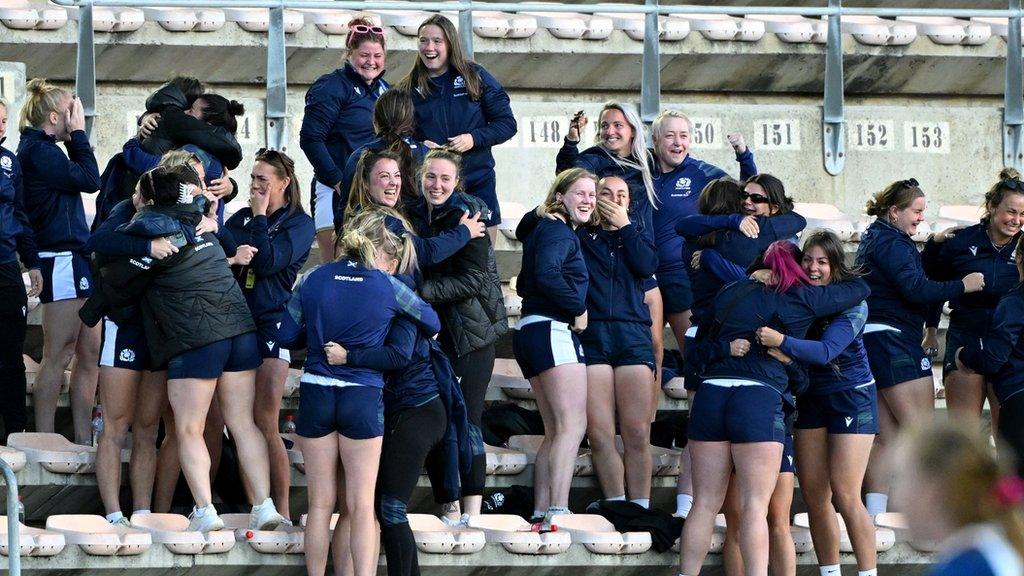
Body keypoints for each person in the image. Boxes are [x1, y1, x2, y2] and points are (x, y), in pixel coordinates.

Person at [90, 164, 284, 532]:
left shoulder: (150, 223)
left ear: (148, 199)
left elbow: (97, 241)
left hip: (196, 335)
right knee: (242, 423)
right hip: (239, 329)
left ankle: (206, 510)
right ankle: (264, 504)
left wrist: (145, 241)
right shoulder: (200, 221)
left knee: (189, 429)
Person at [678, 241, 870, 576]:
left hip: (711, 395)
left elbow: (695, 349)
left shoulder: (729, 291)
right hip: (758, 398)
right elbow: (861, 287)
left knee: (704, 504)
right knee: (756, 508)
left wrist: (726, 345)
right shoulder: (800, 297)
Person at [277, 209, 441, 576]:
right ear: (381, 251)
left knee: (320, 505)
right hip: (362, 397)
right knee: (362, 505)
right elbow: (431, 320)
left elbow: (285, 335)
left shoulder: (313, 277)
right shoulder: (386, 284)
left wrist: (318, 336)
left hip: (317, 392)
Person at [83, 150, 217, 527]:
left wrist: (214, 222)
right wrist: (147, 247)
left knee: (147, 428)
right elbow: (99, 241)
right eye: (189, 180)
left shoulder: (188, 214)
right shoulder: (132, 205)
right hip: (124, 327)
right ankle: (113, 514)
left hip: (159, 330)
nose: (196, 187)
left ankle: (142, 513)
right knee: (115, 426)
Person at [856, 178, 985, 518]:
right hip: (893, 339)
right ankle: (936, 513)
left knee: (886, 438)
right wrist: (963, 285)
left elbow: (904, 272)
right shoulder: (893, 244)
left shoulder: (878, 235)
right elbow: (915, 288)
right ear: (894, 211)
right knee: (924, 436)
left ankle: (875, 516)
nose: (920, 218)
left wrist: (932, 243)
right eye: (916, 211)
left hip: (873, 339)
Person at [753, 230, 879, 576]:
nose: (813, 268)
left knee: (846, 493)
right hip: (810, 396)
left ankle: (868, 573)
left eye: (822, 262)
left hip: (850, 396)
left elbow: (825, 352)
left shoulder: (853, 301)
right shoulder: (799, 295)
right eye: (807, 260)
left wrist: (782, 341)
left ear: (835, 265)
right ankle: (830, 571)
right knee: (814, 495)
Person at [407, 148, 507, 524]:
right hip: (434, 336)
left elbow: (474, 279)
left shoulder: (469, 214)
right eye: (431, 177)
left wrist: (420, 293)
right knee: (438, 419)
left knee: (467, 421)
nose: (437, 185)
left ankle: (472, 510)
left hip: (471, 336)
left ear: (456, 181)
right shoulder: (415, 215)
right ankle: (447, 505)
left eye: (445, 178)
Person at [555, 103, 666, 413]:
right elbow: (567, 174)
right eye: (604, 125)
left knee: (655, 345)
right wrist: (571, 141)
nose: (609, 131)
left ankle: (649, 418)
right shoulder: (595, 158)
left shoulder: (648, 162)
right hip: (605, 258)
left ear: (632, 129)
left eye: (617, 125)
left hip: (640, 259)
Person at [223, 149, 314, 522]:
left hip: (273, 322)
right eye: (253, 178)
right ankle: (254, 505)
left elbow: (267, 261)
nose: (255, 185)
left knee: (265, 419)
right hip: (236, 323)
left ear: (283, 183)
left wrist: (260, 219)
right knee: (235, 421)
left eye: (263, 179)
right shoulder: (241, 216)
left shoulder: (299, 223)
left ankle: (284, 509)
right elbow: (225, 249)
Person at [17, 78, 101, 444]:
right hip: (58, 257)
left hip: (77, 258)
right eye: (71, 111)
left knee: (89, 351)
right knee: (60, 350)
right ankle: (46, 436)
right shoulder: (39, 151)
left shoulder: (48, 149)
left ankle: (83, 437)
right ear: (55, 117)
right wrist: (80, 136)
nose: (76, 117)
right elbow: (89, 178)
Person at [513, 168, 594, 531]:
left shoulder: (544, 227)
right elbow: (547, 274)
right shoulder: (558, 231)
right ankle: (558, 510)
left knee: (555, 429)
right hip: (551, 330)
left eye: (593, 195)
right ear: (560, 196)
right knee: (571, 426)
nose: (589, 201)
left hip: (532, 330)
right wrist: (577, 307)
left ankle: (541, 512)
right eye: (580, 193)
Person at [649, 109, 757, 363]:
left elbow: (747, 190)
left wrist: (744, 155)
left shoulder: (701, 172)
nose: (678, 143)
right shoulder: (642, 171)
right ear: (655, 139)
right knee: (648, 353)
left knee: (695, 354)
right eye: (670, 136)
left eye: (683, 136)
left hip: (680, 276)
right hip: (645, 276)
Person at [397, 14, 517, 241]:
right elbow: (396, 134)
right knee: (436, 257)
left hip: (478, 181)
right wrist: (420, 147)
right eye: (423, 40)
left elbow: (507, 124)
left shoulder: (475, 76)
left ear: (450, 44)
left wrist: (473, 138)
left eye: (437, 41)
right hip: (434, 188)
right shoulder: (407, 87)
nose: (429, 47)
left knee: (482, 260)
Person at [577, 176, 658, 508]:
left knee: (637, 433)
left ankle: (640, 508)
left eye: (620, 194)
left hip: (632, 337)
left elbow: (647, 266)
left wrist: (625, 226)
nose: (612, 199)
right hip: (594, 336)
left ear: (629, 202)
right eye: (605, 193)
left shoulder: (636, 236)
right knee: (599, 433)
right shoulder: (582, 236)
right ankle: (616, 502)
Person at [923, 168, 1024, 431]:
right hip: (966, 339)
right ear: (991, 206)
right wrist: (932, 330)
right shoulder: (962, 241)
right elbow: (937, 286)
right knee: (965, 442)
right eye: (1011, 211)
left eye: (1023, 214)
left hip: (1008, 348)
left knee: (1010, 446)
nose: (1016, 220)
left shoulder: (1023, 246)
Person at [300, 18, 388, 261]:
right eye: (364, 55)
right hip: (333, 189)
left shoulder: (385, 90)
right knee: (335, 264)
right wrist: (339, 181)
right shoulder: (331, 86)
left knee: (373, 264)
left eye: (378, 55)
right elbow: (310, 139)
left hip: (371, 192)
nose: (371, 62)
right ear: (349, 53)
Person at [890, 421, 1024, 576]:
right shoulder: (988, 548)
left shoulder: (969, 567)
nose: (896, 500)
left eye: (902, 480)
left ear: (934, 491)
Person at [344, 149, 484, 267]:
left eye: (397, 175)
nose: (394, 182)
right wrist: (464, 232)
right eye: (385, 176)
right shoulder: (377, 220)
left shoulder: (403, 211)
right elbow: (424, 252)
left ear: (456, 181)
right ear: (366, 183)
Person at [958, 235, 1024, 474]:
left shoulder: (1015, 301)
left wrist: (964, 355)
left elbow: (994, 358)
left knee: (1016, 485)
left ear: (1018, 257)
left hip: (1018, 399)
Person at [0, 97, 42, 443]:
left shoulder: (9, 161)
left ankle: (15, 432)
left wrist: (34, 261)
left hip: (6, 266)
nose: (2, 126)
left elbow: (21, 215)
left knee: (11, 352)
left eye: (4, 120)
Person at [338, 89, 428, 223]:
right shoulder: (427, 154)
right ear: (410, 121)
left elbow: (345, 209)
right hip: (418, 238)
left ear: (375, 121)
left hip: (370, 235)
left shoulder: (361, 155)